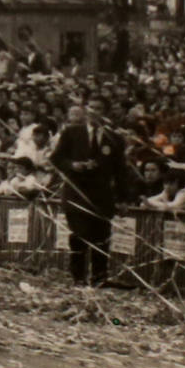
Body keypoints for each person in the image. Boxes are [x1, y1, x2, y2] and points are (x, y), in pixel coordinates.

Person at [50, 102, 127, 287]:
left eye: (99, 108)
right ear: (86, 112)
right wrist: (72, 165)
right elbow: (56, 158)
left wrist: (123, 198)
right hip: (77, 193)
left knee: (101, 236)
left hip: (102, 195)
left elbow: (121, 171)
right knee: (79, 234)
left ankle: (100, 276)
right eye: (91, 108)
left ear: (105, 113)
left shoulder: (114, 138)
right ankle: (78, 277)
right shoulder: (72, 133)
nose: (94, 112)